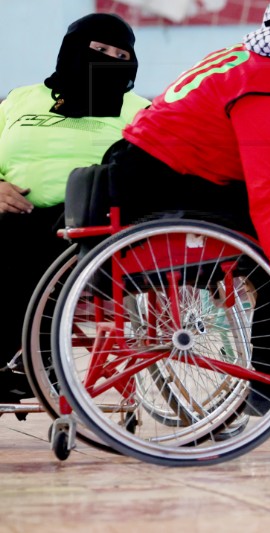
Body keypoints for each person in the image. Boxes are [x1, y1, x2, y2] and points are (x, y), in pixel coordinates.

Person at [102, 0, 270, 411]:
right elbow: (266, 193)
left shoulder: (240, 60)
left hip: (142, 175)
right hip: (158, 187)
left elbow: (218, 145)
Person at [0, 13, 148, 403]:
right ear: (71, 49)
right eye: (98, 50)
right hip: (11, 211)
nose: (108, 60)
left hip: (88, 219)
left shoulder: (139, 109)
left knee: (38, 246)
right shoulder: (20, 99)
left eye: (120, 55)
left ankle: (22, 360)